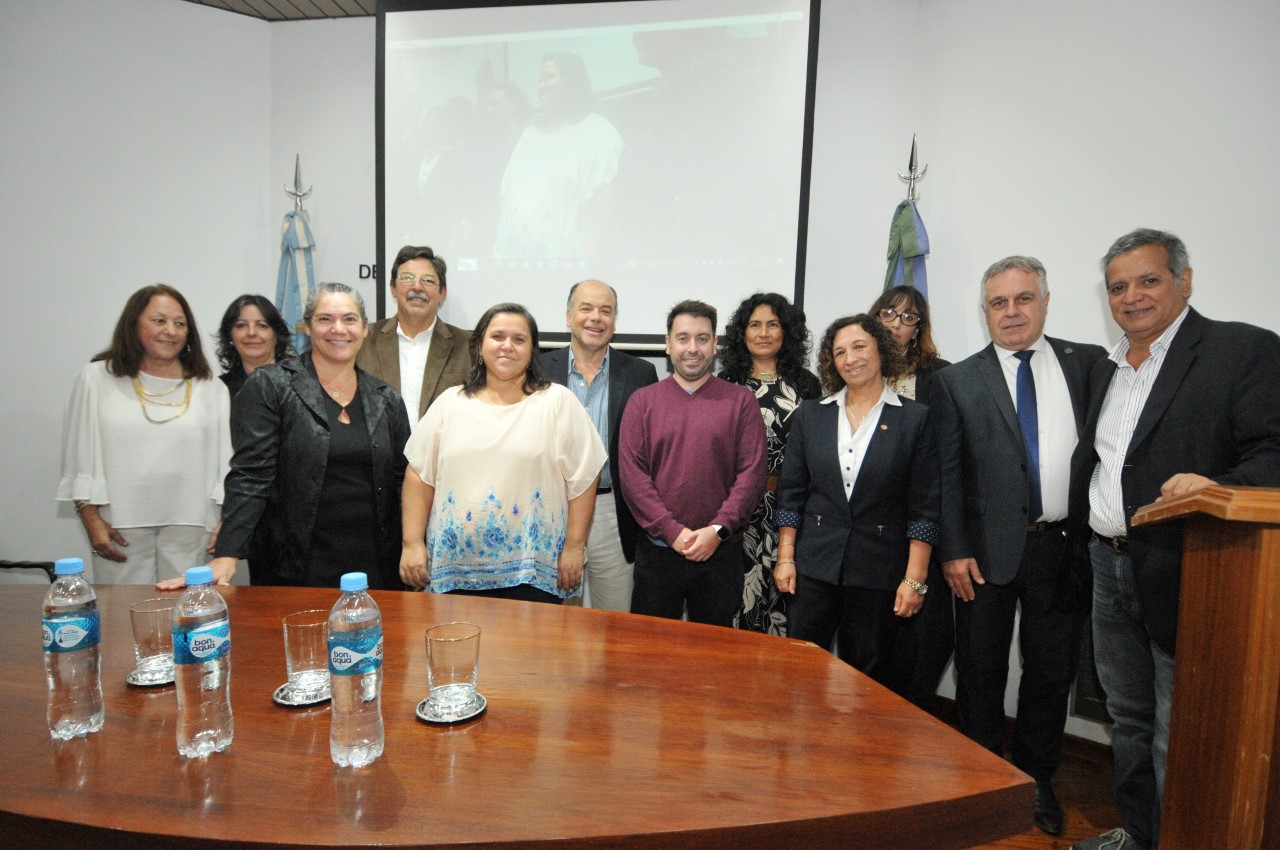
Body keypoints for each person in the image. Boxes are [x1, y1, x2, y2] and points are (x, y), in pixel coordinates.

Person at [1069, 229, 1280, 850]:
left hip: (1191, 565)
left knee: (1180, 722)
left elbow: (1274, 449)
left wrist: (1216, 486)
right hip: (1108, 565)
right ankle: (1140, 833)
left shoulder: (1241, 350)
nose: (1131, 296)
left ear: (1185, 281)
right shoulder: (1104, 368)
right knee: (1128, 717)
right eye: (1118, 286)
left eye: (1149, 280)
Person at [931, 256, 1106, 837]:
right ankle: (983, 779)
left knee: (1051, 672)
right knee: (980, 669)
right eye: (998, 302)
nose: (1011, 312)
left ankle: (1036, 780)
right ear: (985, 311)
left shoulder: (1089, 365)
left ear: (1045, 301)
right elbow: (946, 475)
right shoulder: (957, 380)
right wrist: (952, 550)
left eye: (1023, 298)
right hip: (981, 554)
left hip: (1062, 548)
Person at [161, 283, 410, 590]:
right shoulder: (271, 386)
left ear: (364, 329)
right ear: (307, 328)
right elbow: (251, 475)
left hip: (376, 562)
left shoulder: (386, 398)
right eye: (325, 319)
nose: (338, 329)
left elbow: (403, 480)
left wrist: (413, 546)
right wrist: (228, 553)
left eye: (349, 319)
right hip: (293, 564)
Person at [401, 303, 607, 604]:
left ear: (532, 351)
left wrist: (575, 548)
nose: (507, 346)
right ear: (479, 345)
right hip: (454, 571)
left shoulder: (557, 402)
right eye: (497, 336)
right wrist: (412, 543)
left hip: (533, 574)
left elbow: (586, 476)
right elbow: (419, 475)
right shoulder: (450, 403)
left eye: (519, 339)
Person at [773, 314, 938, 679]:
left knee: (865, 680)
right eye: (840, 352)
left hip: (879, 571)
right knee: (800, 673)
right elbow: (791, 493)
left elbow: (924, 507)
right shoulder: (811, 415)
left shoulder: (914, 419)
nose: (850, 359)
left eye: (859, 346)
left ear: (881, 350)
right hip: (813, 568)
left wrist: (914, 580)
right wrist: (786, 558)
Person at [56, 284, 231, 584]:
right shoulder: (96, 378)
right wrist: (90, 518)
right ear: (133, 324)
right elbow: (79, 455)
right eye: (159, 321)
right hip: (118, 526)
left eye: (180, 323)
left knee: (187, 609)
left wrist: (226, 520)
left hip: (191, 525)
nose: (170, 331)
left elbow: (226, 463)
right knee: (122, 612)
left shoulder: (211, 387)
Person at [618, 300, 766, 626]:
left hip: (720, 552)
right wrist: (672, 532)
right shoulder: (642, 402)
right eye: (683, 338)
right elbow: (633, 477)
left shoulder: (741, 402)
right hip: (657, 552)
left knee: (714, 651)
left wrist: (717, 530)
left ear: (715, 344)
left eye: (702, 338)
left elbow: (751, 475)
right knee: (652, 647)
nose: (692, 348)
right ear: (668, 344)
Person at [541, 280, 658, 612]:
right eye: (586, 308)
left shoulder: (641, 373)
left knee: (614, 620)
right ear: (568, 316)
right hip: (551, 508)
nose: (596, 317)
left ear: (614, 322)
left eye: (606, 311)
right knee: (554, 619)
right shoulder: (537, 369)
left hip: (613, 511)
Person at [868, 285, 954, 711]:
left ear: (919, 328)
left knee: (923, 638)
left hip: (922, 522)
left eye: (908, 317)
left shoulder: (942, 378)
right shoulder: (853, 372)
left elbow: (948, 458)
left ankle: (911, 720)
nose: (896, 324)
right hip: (868, 529)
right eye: (888, 313)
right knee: (872, 636)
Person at [717, 292, 820, 636]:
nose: (763, 333)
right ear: (742, 333)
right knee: (736, 598)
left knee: (786, 600)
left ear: (786, 331)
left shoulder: (807, 385)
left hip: (790, 508)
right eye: (754, 325)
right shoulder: (725, 384)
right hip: (736, 509)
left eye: (772, 325)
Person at [492, 53, 623, 259]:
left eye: (548, 78)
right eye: (539, 80)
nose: (540, 86)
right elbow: (506, 197)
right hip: (511, 263)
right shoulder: (530, 134)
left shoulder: (597, 131)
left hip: (564, 265)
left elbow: (603, 203)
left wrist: (587, 262)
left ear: (571, 80)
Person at [357, 245, 471, 428]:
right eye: (407, 278)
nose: (417, 286)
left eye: (428, 280)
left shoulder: (467, 346)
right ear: (393, 288)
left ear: (442, 293)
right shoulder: (363, 339)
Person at [214, 294, 294, 397]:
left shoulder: (299, 381)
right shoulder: (219, 389)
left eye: (262, 325)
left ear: (277, 335)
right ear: (230, 335)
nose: (251, 333)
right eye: (241, 325)